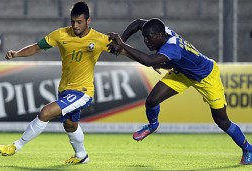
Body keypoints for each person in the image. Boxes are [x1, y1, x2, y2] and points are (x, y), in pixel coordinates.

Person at [107, 18, 252, 165]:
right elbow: (137, 23)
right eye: (144, 37)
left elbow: (150, 61)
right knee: (151, 101)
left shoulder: (172, 47)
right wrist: (121, 41)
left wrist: (122, 44)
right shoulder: (162, 31)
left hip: (207, 77)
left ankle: (248, 149)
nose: (146, 41)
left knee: (222, 121)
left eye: (149, 38)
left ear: (159, 35)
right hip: (183, 73)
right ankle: (152, 125)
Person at [0, 1, 111, 164]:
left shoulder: (100, 39)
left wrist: (152, 62)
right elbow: (37, 47)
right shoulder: (60, 34)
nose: (75, 25)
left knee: (45, 113)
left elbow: (122, 49)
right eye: (73, 21)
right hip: (65, 89)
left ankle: (16, 146)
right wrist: (16, 54)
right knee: (70, 125)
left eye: (79, 22)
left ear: (88, 21)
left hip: (83, 91)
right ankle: (82, 156)